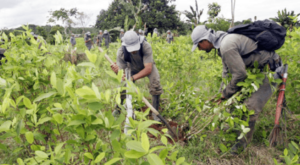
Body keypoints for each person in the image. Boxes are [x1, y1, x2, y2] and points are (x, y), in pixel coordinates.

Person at [191, 25, 282, 154]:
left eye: (199, 46)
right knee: (236, 104)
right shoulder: (223, 44)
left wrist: (226, 94)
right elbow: (226, 74)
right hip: (255, 71)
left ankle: (241, 147)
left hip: (270, 70)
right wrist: (221, 95)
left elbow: (240, 75)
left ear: (205, 40)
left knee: (250, 107)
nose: (199, 49)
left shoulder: (226, 46)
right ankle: (235, 135)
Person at [110, 31, 163, 121]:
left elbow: (148, 69)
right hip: (131, 68)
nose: (134, 51)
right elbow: (122, 75)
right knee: (123, 87)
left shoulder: (146, 46)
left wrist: (133, 78)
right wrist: (117, 72)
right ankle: (118, 109)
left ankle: (155, 112)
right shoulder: (121, 52)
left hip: (146, 65)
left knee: (156, 83)